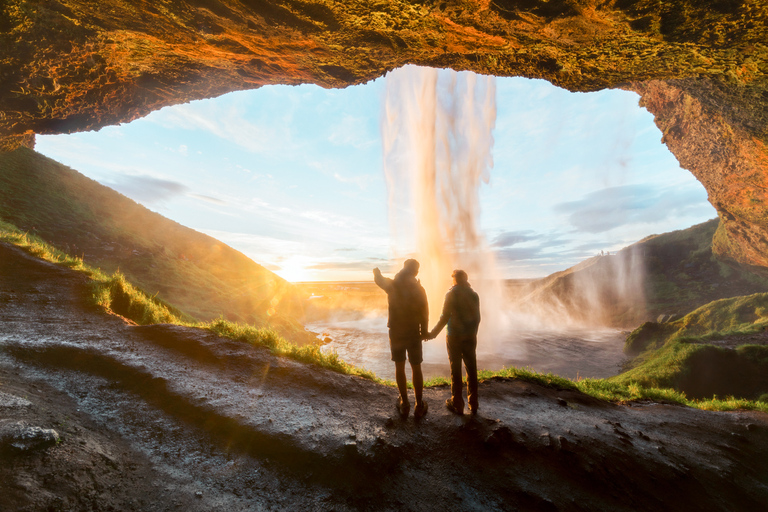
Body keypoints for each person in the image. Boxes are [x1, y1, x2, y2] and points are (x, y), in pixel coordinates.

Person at [373, 259, 429, 418]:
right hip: (413, 332)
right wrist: (424, 331)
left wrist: (376, 273)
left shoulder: (393, 285)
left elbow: (379, 280)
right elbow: (425, 311)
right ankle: (419, 405)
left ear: (404, 268)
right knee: (416, 366)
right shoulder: (419, 288)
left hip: (396, 331)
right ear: (415, 271)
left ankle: (404, 403)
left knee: (399, 366)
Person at [427, 269, 481, 415]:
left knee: (455, 369)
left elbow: (445, 316)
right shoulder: (474, 294)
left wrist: (432, 334)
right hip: (470, 336)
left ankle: (457, 403)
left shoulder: (451, 294)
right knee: (471, 369)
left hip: (454, 336)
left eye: (453, 279)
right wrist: (473, 333)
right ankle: (473, 403)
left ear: (455, 280)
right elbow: (477, 318)